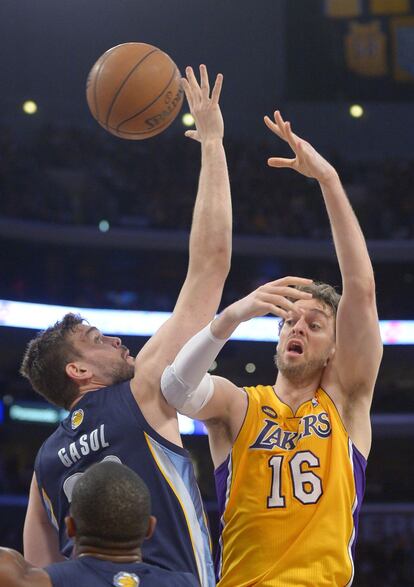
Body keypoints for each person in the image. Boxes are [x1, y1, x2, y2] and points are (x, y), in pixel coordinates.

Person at [20, 64, 232, 587]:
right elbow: (211, 264)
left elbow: (35, 570)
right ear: (77, 369)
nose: (115, 339)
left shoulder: (45, 463)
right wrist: (211, 143)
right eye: (96, 340)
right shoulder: (139, 392)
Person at [161, 111, 383, 586]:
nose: (297, 327)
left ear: (334, 351)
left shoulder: (346, 401)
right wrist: (230, 317)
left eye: (315, 324)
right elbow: (176, 389)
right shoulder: (240, 405)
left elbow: (360, 289)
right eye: (289, 320)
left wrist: (328, 179)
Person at [0, 460, 198, 587]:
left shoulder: (37, 582)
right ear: (149, 528)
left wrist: (40, 472)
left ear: (70, 527)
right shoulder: (187, 584)